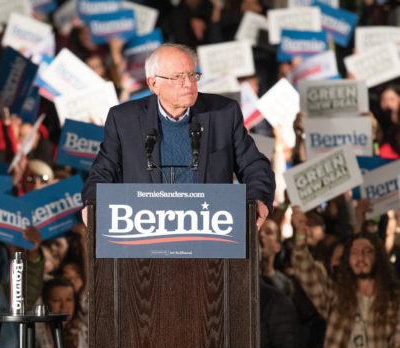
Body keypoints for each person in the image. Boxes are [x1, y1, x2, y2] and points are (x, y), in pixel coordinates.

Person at [81, 43, 275, 229]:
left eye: (192, 75)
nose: (189, 84)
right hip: (144, 240)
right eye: (178, 77)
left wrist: (257, 199)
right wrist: (93, 204)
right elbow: (103, 173)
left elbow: (255, 166)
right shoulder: (124, 119)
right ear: (153, 83)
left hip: (209, 236)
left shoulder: (223, 113)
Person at [291, 207, 400, 348]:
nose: (360, 258)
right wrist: (300, 233)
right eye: (354, 253)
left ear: (378, 258)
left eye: (367, 251)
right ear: (347, 260)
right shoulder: (336, 296)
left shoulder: (395, 300)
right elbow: (305, 269)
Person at [36, 278, 88, 348]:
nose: (64, 306)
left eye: (69, 299)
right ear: (45, 303)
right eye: (56, 300)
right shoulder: (38, 334)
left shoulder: (83, 326)